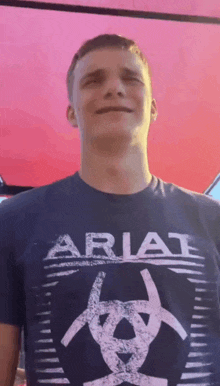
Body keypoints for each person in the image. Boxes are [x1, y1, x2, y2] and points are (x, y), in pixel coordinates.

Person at [0, 33, 220, 386]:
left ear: (152, 106)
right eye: (93, 80)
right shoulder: (13, 222)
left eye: (130, 78)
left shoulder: (214, 222)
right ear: (71, 111)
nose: (114, 88)